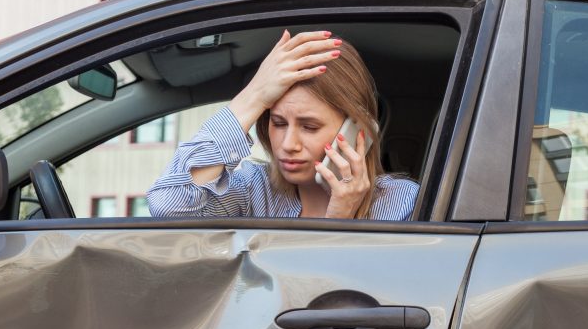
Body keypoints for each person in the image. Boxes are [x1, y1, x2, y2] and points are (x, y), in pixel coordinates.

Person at [146, 30, 418, 221]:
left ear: (357, 132)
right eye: (278, 123)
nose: (288, 145)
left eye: (309, 127)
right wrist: (253, 96)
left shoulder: (400, 203)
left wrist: (339, 221)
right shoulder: (254, 190)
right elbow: (169, 206)